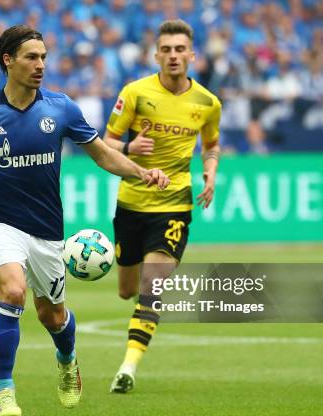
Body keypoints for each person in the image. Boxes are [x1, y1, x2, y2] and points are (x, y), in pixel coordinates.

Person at [0, 25, 169, 416]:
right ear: (8, 60)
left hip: (47, 229)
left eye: (44, 57)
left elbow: (102, 154)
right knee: (12, 291)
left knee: (52, 316)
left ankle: (67, 360)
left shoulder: (61, 108)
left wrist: (141, 172)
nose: (41, 65)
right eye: (32, 57)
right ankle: (4, 392)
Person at [102, 19, 221, 393]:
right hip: (132, 203)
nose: (173, 56)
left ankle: (128, 367)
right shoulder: (135, 93)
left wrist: (211, 171)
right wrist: (127, 149)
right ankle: (138, 323)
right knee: (127, 290)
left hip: (174, 204)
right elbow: (105, 143)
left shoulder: (207, 102)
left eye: (179, 49)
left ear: (191, 55)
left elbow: (212, 145)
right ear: (156, 55)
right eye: (166, 49)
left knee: (152, 287)